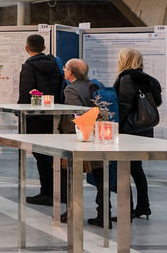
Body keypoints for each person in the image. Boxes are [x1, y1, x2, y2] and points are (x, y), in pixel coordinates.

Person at [61, 58, 109, 226]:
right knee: (100, 175)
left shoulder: (70, 89)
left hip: (80, 136)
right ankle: (104, 213)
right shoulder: (96, 84)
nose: (64, 70)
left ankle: (72, 211)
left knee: (72, 176)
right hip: (99, 133)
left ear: (70, 72)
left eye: (66, 68)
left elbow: (77, 113)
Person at [115, 48, 161, 220]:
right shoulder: (148, 79)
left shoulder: (127, 78)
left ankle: (127, 210)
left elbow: (124, 105)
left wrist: (114, 125)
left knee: (125, 169)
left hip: (129, 130)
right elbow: (156, 101)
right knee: (136, 169)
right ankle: (143, 206)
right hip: (144, 129)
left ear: (125, 60)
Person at [18, 34, 64, 206]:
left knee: (40, 154)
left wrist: (20, 112)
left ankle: (47, 192)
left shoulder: (28, 67)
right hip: (53, 115)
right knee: (51, 154)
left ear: (26, 48)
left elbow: (25, 93)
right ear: (44, 48)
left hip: (35, 116)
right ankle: (57, 191)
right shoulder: (55, 64)